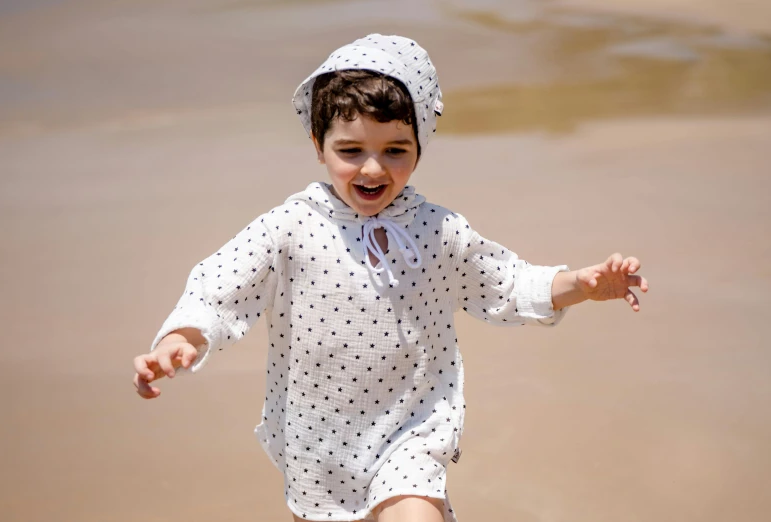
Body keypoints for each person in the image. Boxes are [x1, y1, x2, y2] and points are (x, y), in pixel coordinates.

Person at [132, 34, 648, 522]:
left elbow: (507, 285)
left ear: (420, 145)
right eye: (351, 151)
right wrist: (182, 338)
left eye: (395, 150)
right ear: (318, 145)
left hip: (412, 428)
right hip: (317, 436)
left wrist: (582, 285)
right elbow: (220, 289)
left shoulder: (438, 229)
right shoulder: (290, 227)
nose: (373, 168)